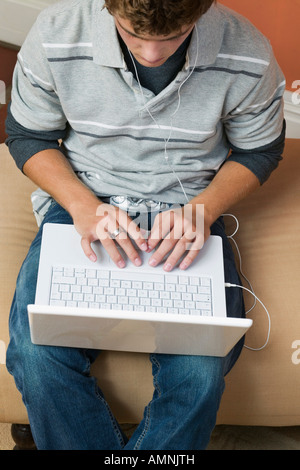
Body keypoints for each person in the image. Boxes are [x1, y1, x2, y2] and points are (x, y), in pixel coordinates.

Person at [5, 0, 285, 450]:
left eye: (174, 37)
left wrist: (205, 208)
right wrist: (80, 205)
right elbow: (28, 135)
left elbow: (260, 151)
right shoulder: (56, 31)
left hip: (190, 207)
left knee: (201, 369)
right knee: (35, 357)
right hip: (86, 199)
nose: (152, 55)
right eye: (133, 34)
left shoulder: (248, 50)